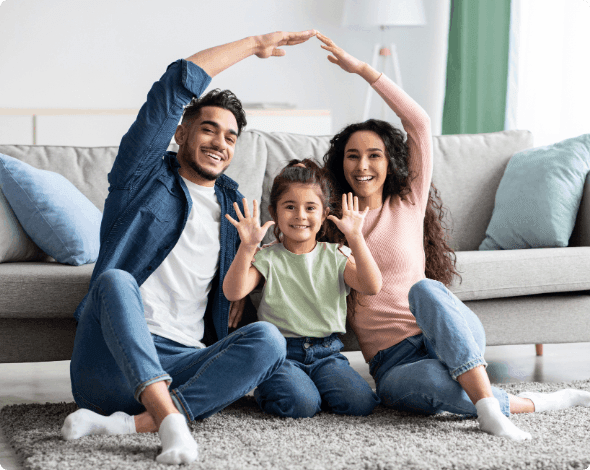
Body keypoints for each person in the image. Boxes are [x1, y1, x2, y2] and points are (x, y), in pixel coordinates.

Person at [60, 30, 317, 465]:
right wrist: (255, 45)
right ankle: (172, 424)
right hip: (111, 362)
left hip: (185, 359)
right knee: (116, 281)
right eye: (209, 129)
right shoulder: (140, 177)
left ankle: (131, 423)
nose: (220, 143)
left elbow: (242, 289)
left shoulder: (235, 206)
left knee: (272, 347)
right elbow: (175, 83)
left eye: (231, 137)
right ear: (181, 132)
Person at [317, 32, 590, 441]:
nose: (362, 165)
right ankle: (527, 404)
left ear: (391, 162)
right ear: (341, 163)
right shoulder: (333, 221)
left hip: (443, 330)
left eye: (374, 154)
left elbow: (419, 124)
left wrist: (363, 70)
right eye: (352, 155)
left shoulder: (408, 200)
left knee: (425, 290)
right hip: (395, 365)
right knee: (428, 385)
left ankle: (486, 408)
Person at [222, 159, 381, 418]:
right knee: (301, 405)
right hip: (281, 354)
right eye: (290, 207)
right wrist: (247, 246)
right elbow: (233, 292)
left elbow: (372, 285)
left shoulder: (337, 255)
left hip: (327, 353)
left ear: (324, 214)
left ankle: (313, 388)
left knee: (361, 404)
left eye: (310, 208)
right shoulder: (267, 257)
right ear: (274, 214)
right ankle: (269, 386)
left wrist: (356, 237)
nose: (300, 215)